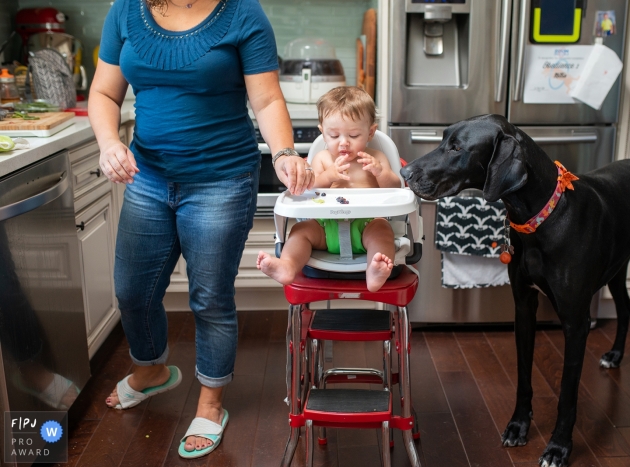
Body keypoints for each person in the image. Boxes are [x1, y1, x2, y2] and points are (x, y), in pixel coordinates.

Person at [89, 0, 313, 459]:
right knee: (132, 290)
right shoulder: (125, 11)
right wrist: (109, 142)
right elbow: (104, 93)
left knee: (209, 296)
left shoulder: (242, 14)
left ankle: (211, 403)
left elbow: (266, 98)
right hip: (146, 176)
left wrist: (285, 152)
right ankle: (151, 370)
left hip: (221, 179)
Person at [257, 86, 401, 292]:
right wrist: (328, 176)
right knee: (300, 231)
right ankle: (287, 266)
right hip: (324, 227)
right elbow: (308, 188)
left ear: (370, 132)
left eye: (353, 135)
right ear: (323, 133)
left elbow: (395, 189)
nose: (344, 142)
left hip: (367, 225)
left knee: (383, 231)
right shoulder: (322, 159)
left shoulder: (376, 158)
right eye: (334, 135)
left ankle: (374, 270)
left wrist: (381, 173)